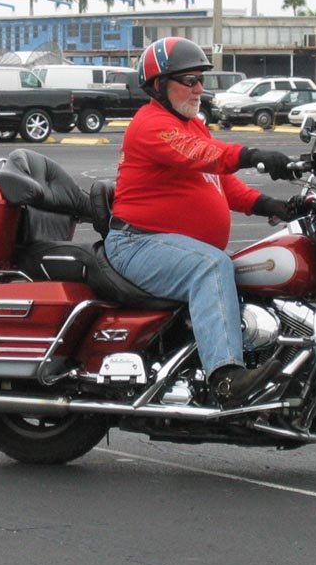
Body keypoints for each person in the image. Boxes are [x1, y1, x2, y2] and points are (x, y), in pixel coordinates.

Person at [104, 37, 297, 408]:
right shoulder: (151, 125)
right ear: (159, 84)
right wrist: (252, 155)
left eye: (200, 80)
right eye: (188, 80)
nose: (198, 88)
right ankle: (226, 377)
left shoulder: (194, 125)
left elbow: (224, 184)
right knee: (211, 266)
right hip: (137, 243)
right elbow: (200, 155)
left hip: (163, 245)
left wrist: (273, 205)